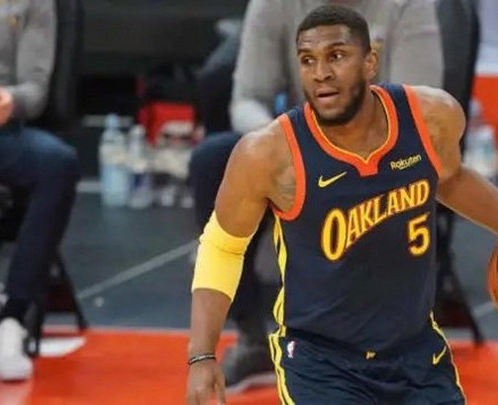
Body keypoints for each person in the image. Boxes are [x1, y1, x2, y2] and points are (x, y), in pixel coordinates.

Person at [186, 6, 498, 404]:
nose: (321, 72)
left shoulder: (430, 117)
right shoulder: (269, 154)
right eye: (308, 60)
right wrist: (202, 355)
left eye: (336, 56)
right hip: (322, 363)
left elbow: (452, 179)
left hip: (416, 354)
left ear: (370, 63)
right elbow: (222, 247)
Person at [188, 0, 446, 391]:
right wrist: (283, 149)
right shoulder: (273, 5)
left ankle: (390, 341)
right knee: (215, 160)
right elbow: (246, 98)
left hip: (386, 154)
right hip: (302, 150)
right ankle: (252, 335)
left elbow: (419, 109)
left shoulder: (407, 5)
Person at [0, 0, 80, 381]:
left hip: (3, 130)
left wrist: (11, 100)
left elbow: (34, 89)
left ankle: (12, 317)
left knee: (56, 163)